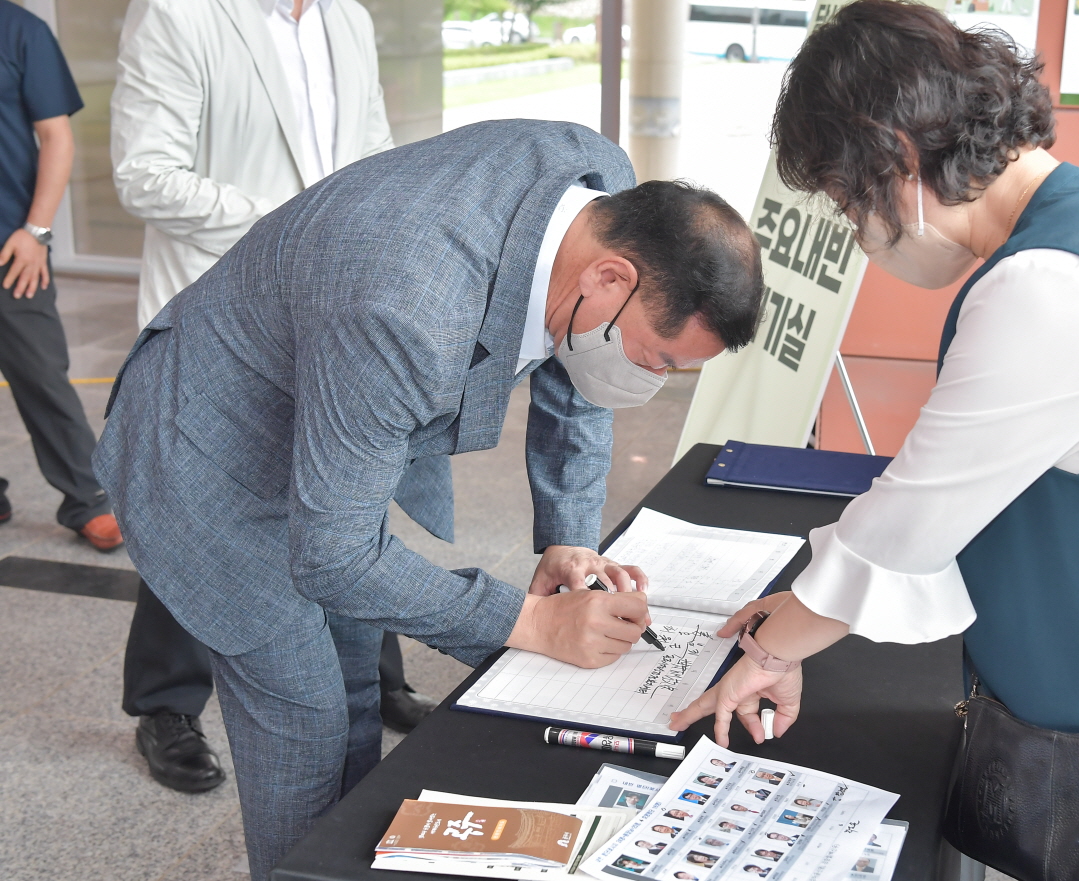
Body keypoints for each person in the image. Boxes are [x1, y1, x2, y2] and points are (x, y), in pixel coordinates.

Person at [669, 3, 1079, 880]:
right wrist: (799, 614)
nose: (857, 232)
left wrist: (771, 650)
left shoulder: (1051, 287)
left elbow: (906, 526)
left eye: (847, 201)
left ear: (896, 159)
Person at [93, 119, 763, 880]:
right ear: (610, 278)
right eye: (654, 357)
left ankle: (346, 862)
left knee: (354, 670)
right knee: (303, 712)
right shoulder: (409, 310)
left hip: (323, 410)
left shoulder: (599, 189)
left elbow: (579, 364)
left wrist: (568, 539)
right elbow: (336, 558)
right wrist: (532, 622)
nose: (649, 379)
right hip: (204, 446)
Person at [108, 0, 433, 795]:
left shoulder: (346, 17)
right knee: (195, 509)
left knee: (348, 487)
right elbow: (145, 174)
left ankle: (377, 674)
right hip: (219, 310)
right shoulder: (179, 15)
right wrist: (297, 227)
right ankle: (166, 705)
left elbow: (372, 154)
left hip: (333, 305)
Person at [0, 1, 123, 553]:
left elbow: (56, 137)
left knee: (40, 372)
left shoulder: (20, 30)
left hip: (11, 244)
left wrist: (37, 231)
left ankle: (87, 499)